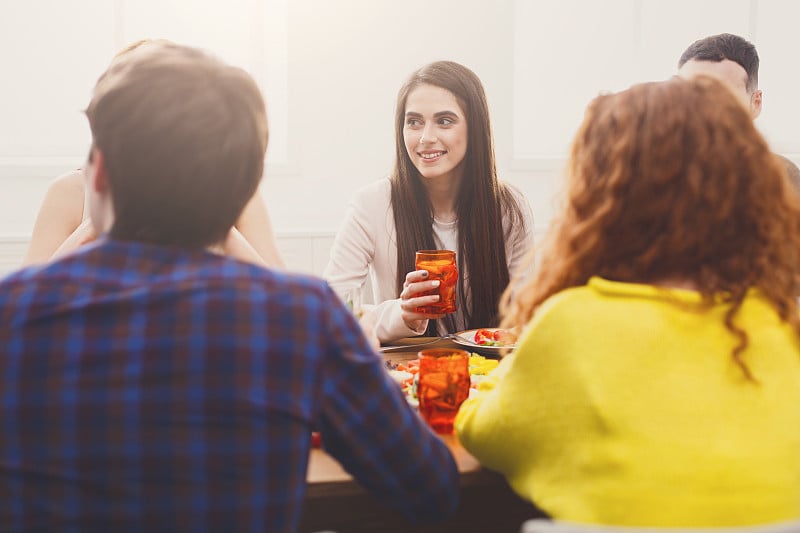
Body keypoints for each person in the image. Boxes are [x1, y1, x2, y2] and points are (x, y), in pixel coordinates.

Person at [0, 42, 458, 531]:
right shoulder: (301, 318)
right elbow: (428, 489)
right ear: (245, 186)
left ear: (100, 173)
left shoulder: (13, 312)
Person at [455, 76, 800, 526]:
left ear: (600, 193)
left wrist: (493, 384)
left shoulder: (571, 324)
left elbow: (482, 434)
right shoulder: (782, 325)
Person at [22, 39, 285, 268]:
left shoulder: (233, 191)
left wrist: (215, 219)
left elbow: (276, 278)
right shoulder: (71, 191)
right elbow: (31, 284)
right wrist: (101, 219)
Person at [324, 60, 534, 342]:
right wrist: (402, 313)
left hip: (490, 373)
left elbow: (527, 316)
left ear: (475, 128)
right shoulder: (371, 204)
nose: (425, 137)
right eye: (414, 122)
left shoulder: (509, 208)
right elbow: (332, 312)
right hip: (406, 372)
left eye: (444, 121)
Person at [678, 32, 800, 189]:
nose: (704, 108)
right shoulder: (652, 172)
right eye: (691, 93)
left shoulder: (783, 179)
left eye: (723, 96)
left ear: (755, 103)